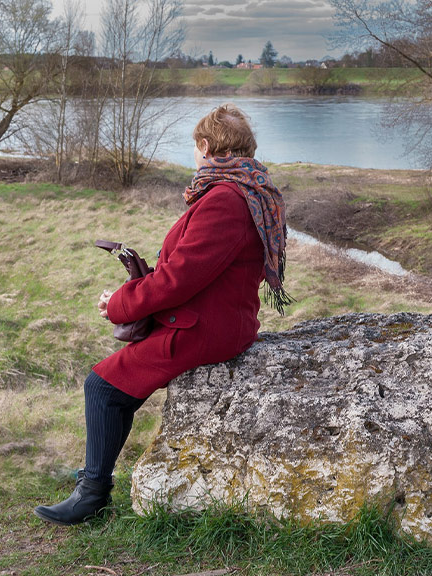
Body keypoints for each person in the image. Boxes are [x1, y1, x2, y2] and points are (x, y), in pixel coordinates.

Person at [34, 104, 291, 526]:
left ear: (205, 146)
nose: (194, 152)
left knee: (102, 386)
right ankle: (92, 484)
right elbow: (196, 271)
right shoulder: (247, 189)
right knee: (116, 388)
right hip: (218, 319)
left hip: (203, 329)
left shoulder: (225, 199)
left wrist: (120, 303)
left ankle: (92, 494)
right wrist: (138, 284)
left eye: (195, 145)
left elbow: (179, 282)